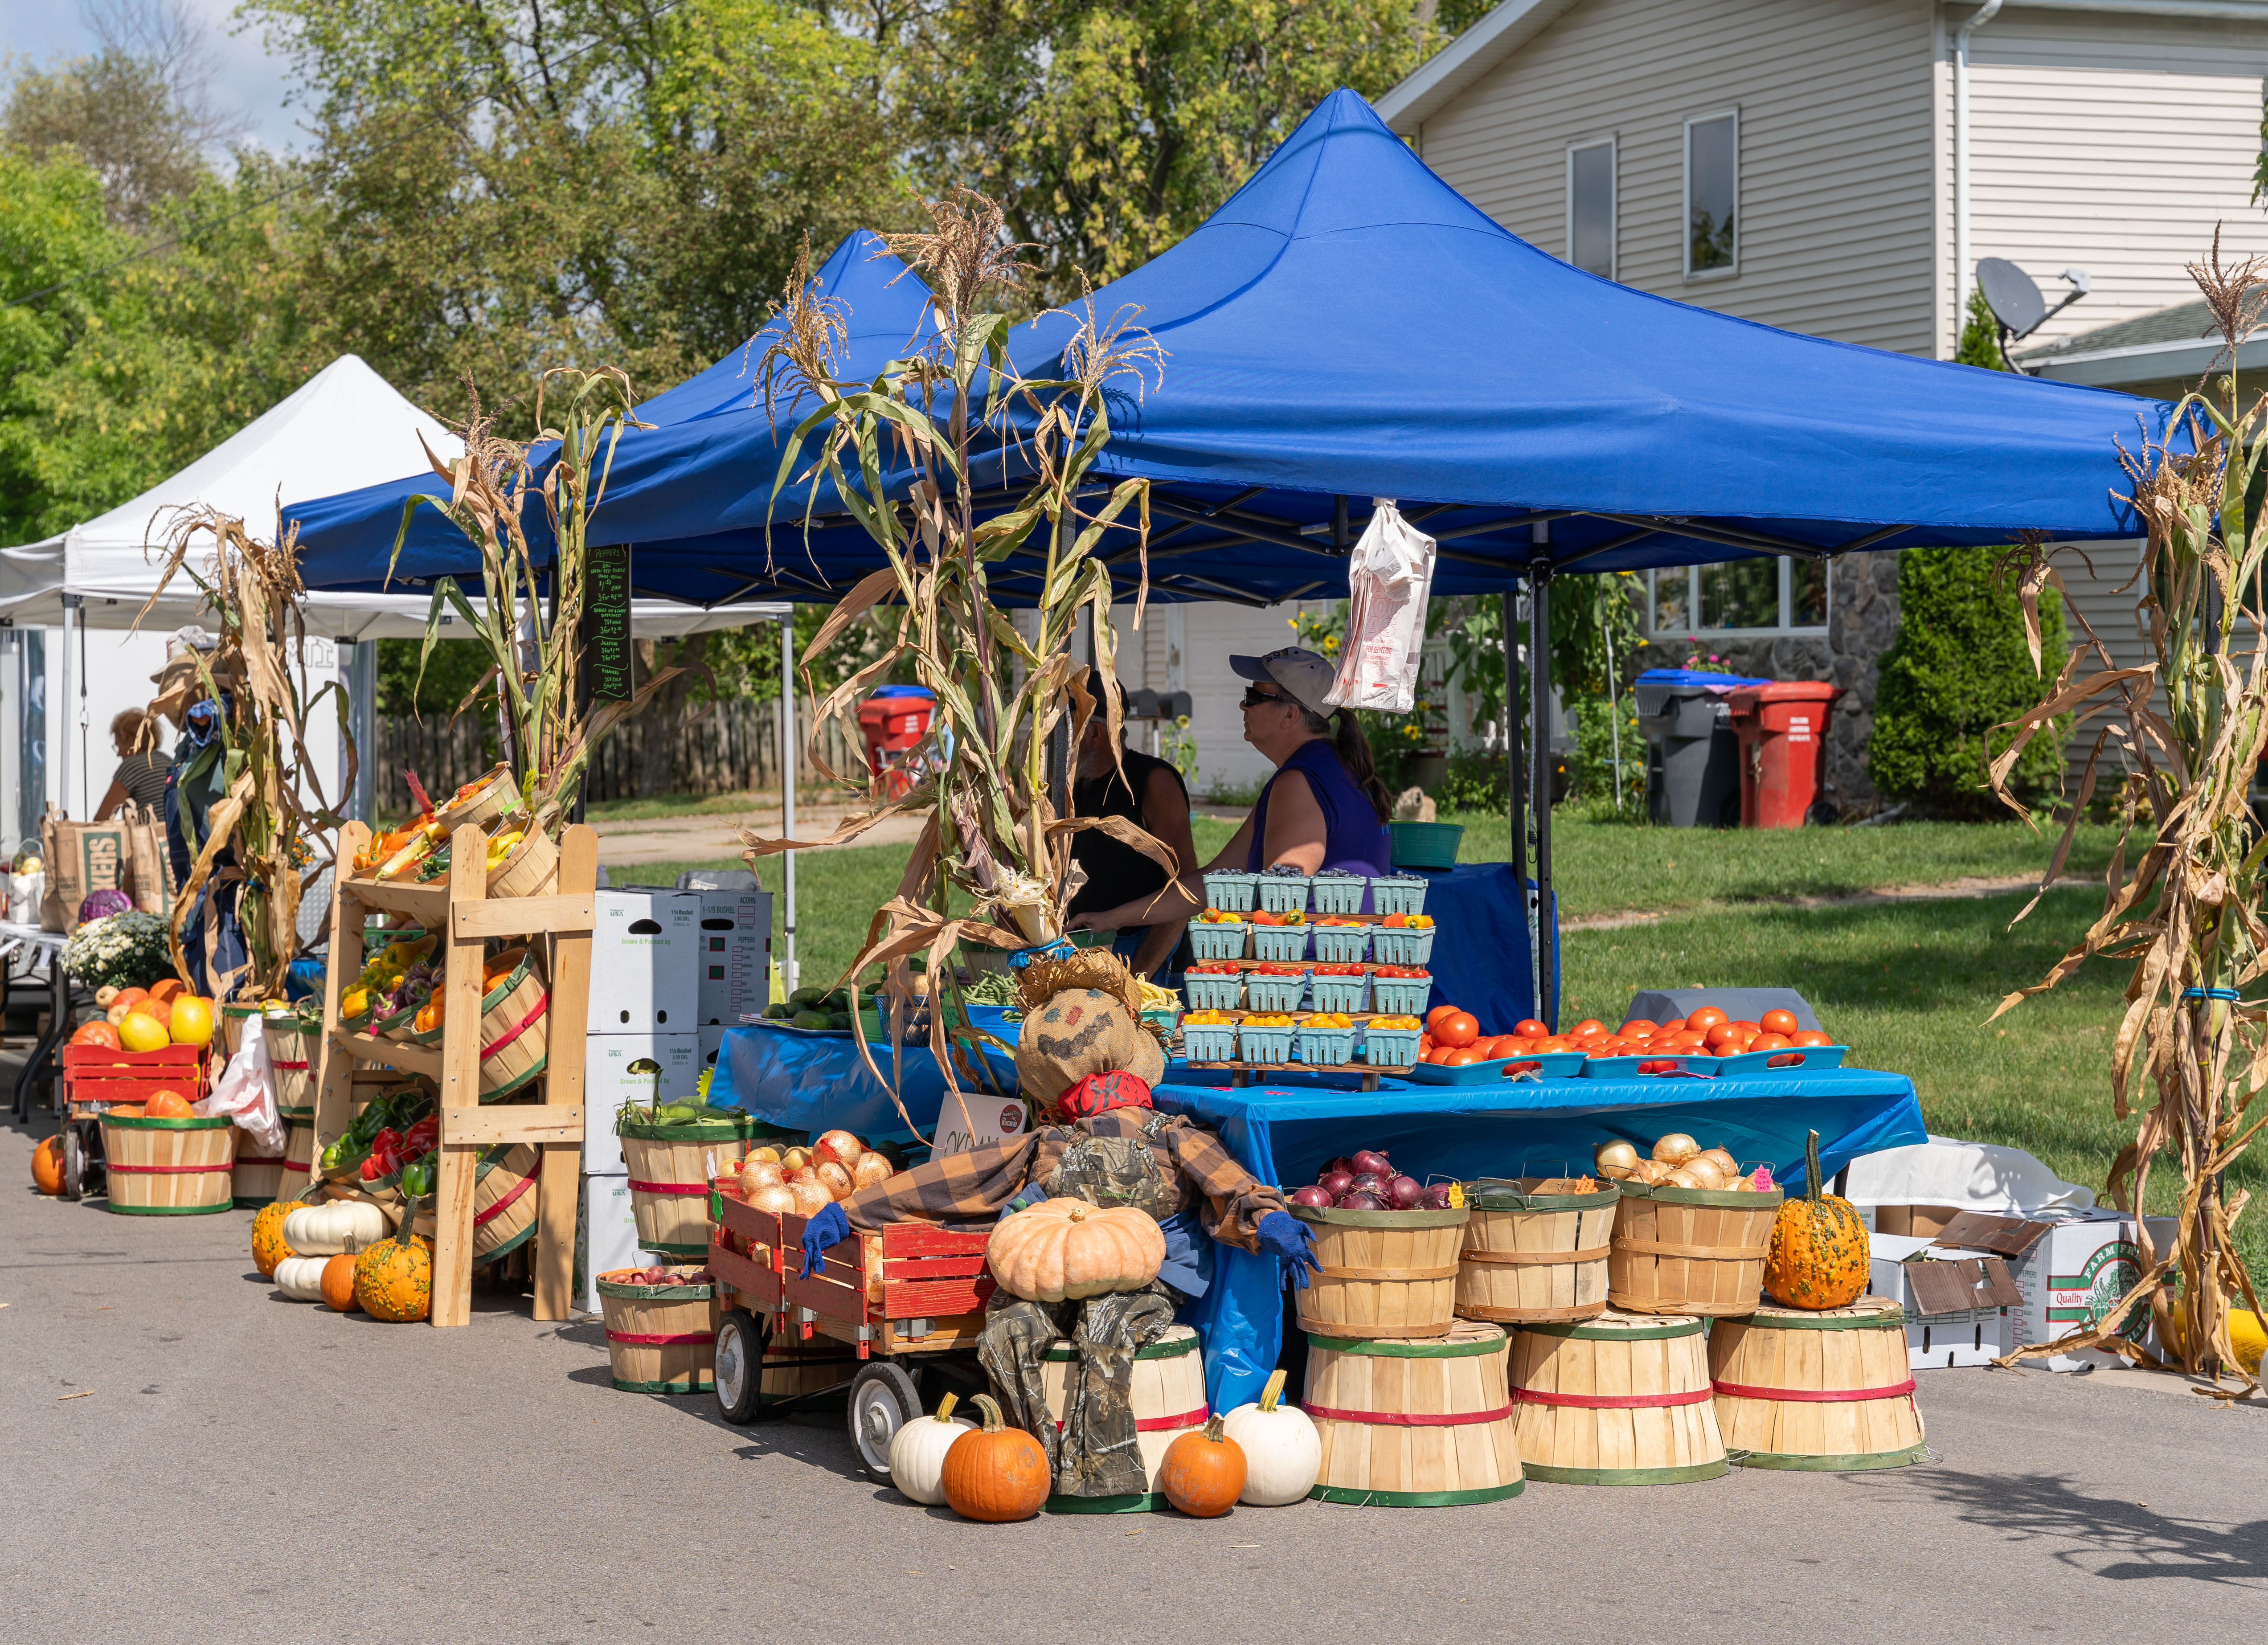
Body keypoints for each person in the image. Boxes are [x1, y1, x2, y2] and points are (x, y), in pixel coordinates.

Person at [1061, 670, 1202, 979]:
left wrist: (1140, 977)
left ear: (1094, 734)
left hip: (1148, 963)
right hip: (1082, 957)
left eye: (1065, 727)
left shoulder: (1153, 782)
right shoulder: (1068, 788)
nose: (1055, 738)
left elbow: (1184, 889)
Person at [93, 709, 171, 822]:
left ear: (131, 742)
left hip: (153, 838)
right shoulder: (169, 761)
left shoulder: (131, 766)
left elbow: (102, 820)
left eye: (118, 746)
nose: (119, 754)